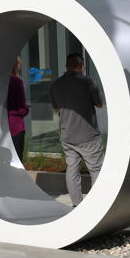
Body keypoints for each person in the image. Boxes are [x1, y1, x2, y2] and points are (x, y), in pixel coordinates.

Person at [49, 52, 105, 206]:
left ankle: (76, 204)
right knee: (96, 169)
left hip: (67, 135)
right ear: (82, 66)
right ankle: (97, 206)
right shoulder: (88, 82)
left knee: (72, 169)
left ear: (66, 66)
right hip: (88, 135)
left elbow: (56, 109)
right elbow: (99, 104)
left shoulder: (55, 84)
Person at [7, 56, 30, 163]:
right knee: (17, 161)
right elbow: (22, 109)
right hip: (15, 127)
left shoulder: (0, 82)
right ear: (16, 65)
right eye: (19, 64)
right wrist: (26, 109)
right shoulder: (16, 81)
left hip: (1, 127)